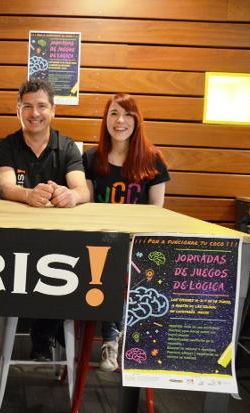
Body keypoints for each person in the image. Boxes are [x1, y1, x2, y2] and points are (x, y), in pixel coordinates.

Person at [0, 79, 89, 360]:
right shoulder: (7, 145)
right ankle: (49, 329)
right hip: (13, 242)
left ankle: (45, 330)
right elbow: (5, 186)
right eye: (27, 107)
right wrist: (27, 195)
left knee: (81, 269)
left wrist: (70, 196)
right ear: (18, 110)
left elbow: (82, 189)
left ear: (53, 110)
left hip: (59, 243)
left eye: (41, 106)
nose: (34, 113)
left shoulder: (68, 146)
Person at [83, 93, 170, 371]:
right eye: (113, 114)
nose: (120, 121)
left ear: (136, 120)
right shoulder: (91, 158)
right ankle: (105, 338)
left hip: (137, 245)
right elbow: (85, 206)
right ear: (105, 119)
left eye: (127, 114)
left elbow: (157, 210)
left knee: (120, 269)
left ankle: (113, 338)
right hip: (99, 241)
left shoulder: (153, 160)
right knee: (108, 267)